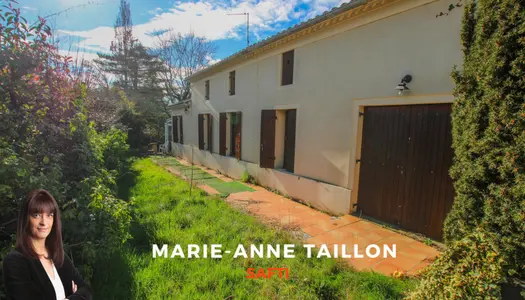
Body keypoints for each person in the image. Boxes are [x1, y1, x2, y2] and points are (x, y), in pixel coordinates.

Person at [2, 189, 92, 300]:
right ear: (26, 218)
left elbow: (85, 291)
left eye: (49, 215)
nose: (44, 222)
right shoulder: (15, 261)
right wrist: (74, 295)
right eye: (37, 215)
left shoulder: (58, 256)